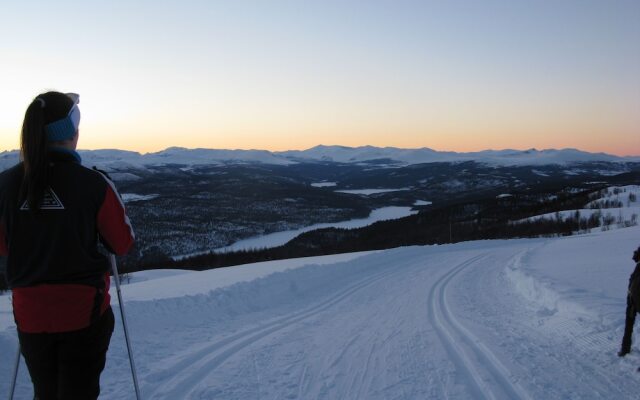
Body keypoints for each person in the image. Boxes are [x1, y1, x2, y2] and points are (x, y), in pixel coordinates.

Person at [0, 91, 135, 399]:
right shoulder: (93, 183)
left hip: (30, 311)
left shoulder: (6, 184)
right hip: (83, 312)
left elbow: (4, 245)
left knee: (45, 391)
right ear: (72, 133)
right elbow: (122, 242)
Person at [618, 246, 640, 357]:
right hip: (632, 301)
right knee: (628, 325)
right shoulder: (638, 266)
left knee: (629, 325)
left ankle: (625, 348)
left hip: (635, 300)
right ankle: (625, 348)